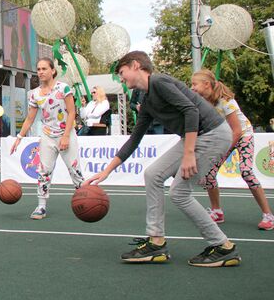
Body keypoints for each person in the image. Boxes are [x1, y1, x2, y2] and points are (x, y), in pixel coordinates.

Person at [84, 51, 240, 267]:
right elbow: (134, 140)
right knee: (153, 174)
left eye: (122, 72)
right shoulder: (147, 101)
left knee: (179, 192)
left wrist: (188, 154)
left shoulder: (159, 82)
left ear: (136, 65)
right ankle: (156, 242)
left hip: (213, 134)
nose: (121, 78)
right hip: (196, 136)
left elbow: (191, 111)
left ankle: (223, 246)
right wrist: (106, 171)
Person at [190, 70, 273, 230]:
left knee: (246, 171)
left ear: (206, 84)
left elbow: (237, 131)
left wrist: (222, 150)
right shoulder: (202, 101)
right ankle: (217, 211)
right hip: (226, 137)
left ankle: (268, 215)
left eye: (194, 84)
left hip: (243, 135)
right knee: (209, 173)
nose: (192, 87)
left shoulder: (226, 102)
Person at [10, 58, 84, 219]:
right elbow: (29, 119)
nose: (41, 72)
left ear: (52, 70)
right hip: (47, 136)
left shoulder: (63, 88)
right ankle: (41, 206)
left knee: (75, 170)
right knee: (43, 171)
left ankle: (86, 201)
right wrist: (19, 137)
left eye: (44, 68)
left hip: (66, 135)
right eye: (38, 69)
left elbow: (72, 112)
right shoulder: (35, 94)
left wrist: (65, 136)